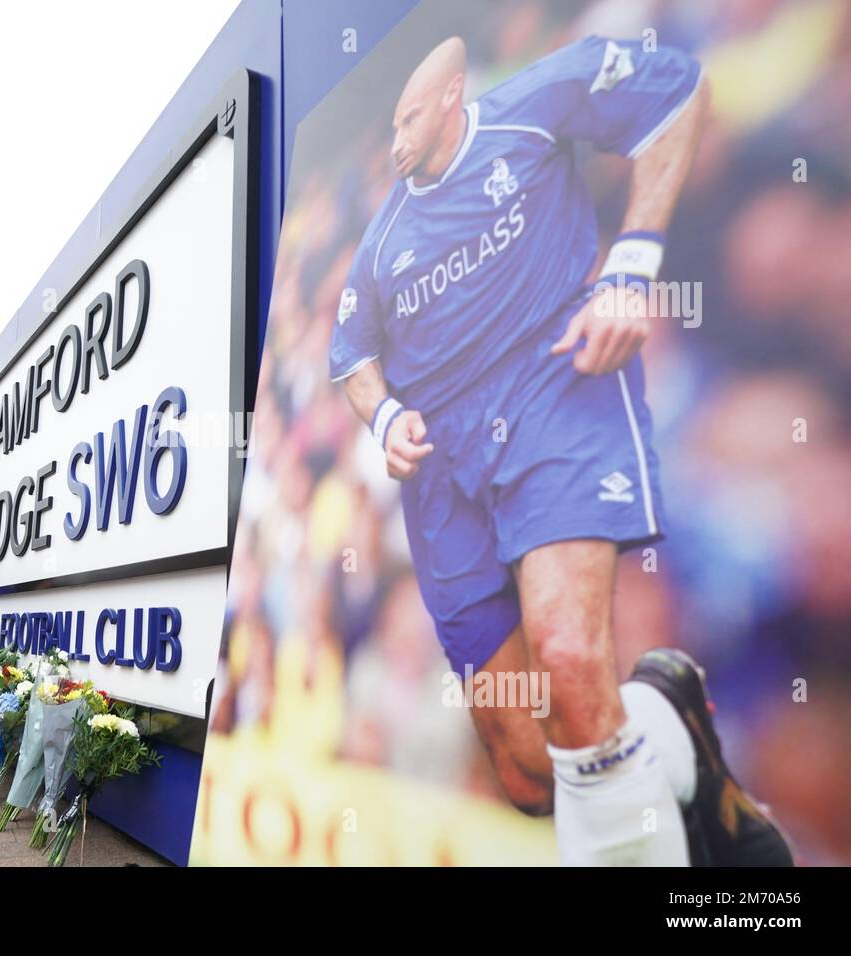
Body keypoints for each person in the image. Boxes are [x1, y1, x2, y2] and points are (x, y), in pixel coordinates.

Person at [330, 35, 791, 866]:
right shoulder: (379, 245)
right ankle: (671, 726)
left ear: (449, 100)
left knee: (571, 661)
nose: (395, 142)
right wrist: (384, 412)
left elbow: (677, 91)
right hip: (445, 473)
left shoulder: (532, 108)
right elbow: (352, 356)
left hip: (555, 390)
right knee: (532, 768)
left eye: (407, 119)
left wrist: (632, 263)